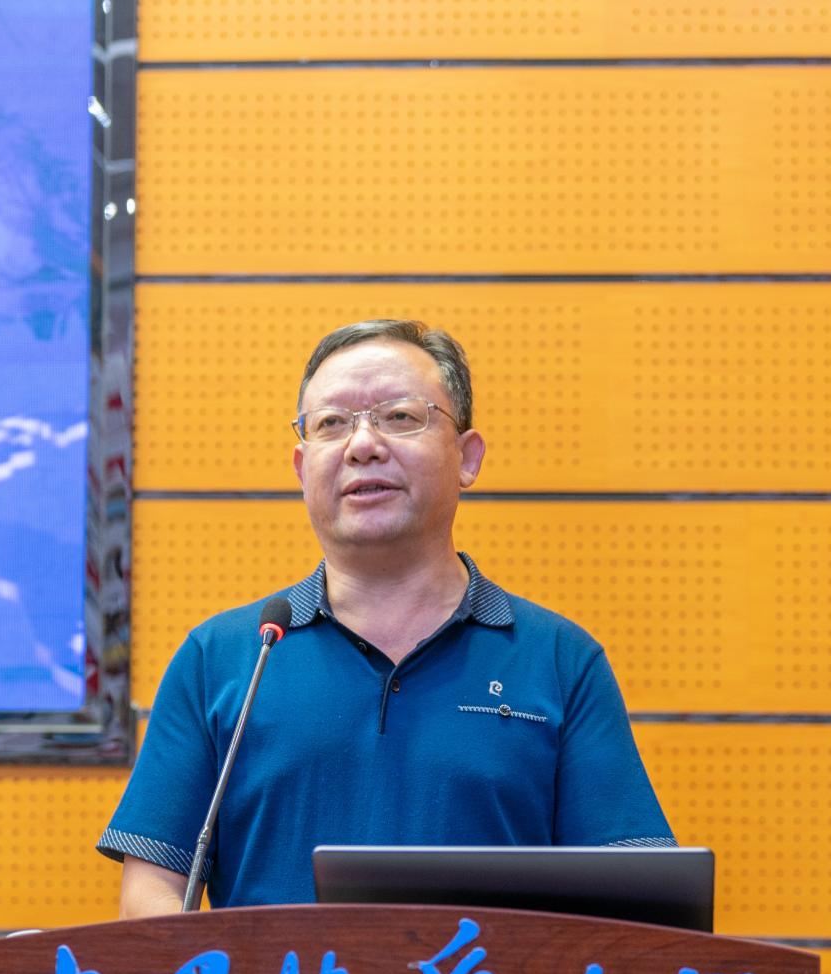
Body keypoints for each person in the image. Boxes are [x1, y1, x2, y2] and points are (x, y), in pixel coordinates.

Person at [100, 320, 674, 918]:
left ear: (467, 457)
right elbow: (153, 890)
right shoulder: (224, 658)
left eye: (399, 416)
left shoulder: (560, 661)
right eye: (331, 424)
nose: (362, 445)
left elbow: (633, 902)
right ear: (301, 468)